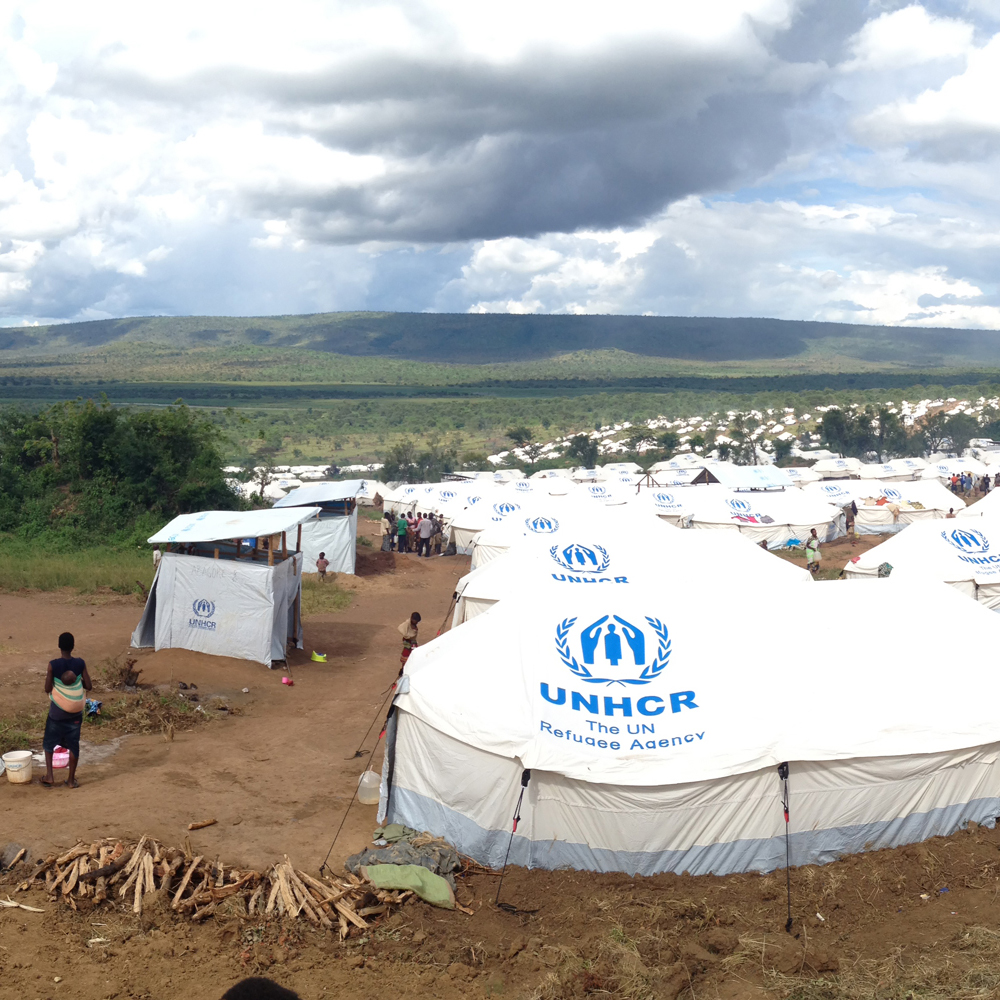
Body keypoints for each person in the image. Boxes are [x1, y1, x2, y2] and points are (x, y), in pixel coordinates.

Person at [43, 632, 92, 789]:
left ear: (59, 646)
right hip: (75, 715)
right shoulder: (80, 663)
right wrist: (77, 681)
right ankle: (71, 780)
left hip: (57, 714)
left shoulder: (53, 665)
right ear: (73, 646)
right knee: (73, 745)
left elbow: (47, 688)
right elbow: (89, 686)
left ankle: (50, 776)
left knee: (49, 744)